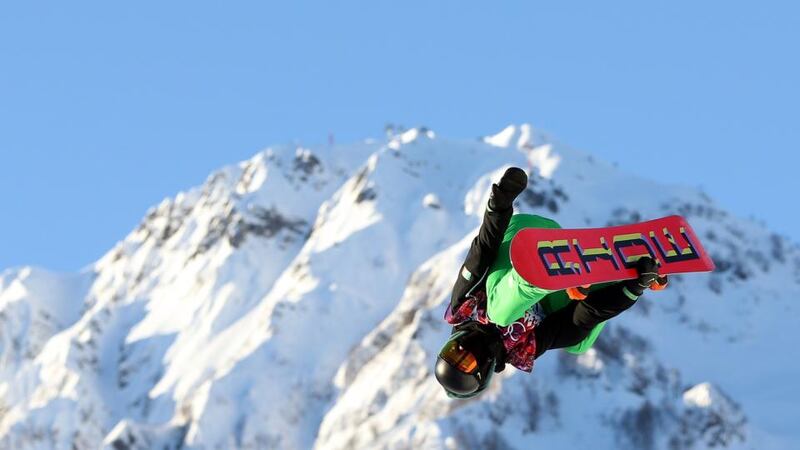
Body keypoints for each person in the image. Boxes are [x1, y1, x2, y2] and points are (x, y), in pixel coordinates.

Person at [434, 167, 668, 398]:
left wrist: (499, 206)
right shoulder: (522, 349)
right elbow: (583, 318)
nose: (463, 350)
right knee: (578, 343)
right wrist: (632, 289)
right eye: (464, 362)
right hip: (559, 258)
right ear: (483, 370)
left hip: (520, 237)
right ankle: (627, 270)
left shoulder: (464, 308)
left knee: (498, 313)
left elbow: (482, 251)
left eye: (453, 352)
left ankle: (536, 276)